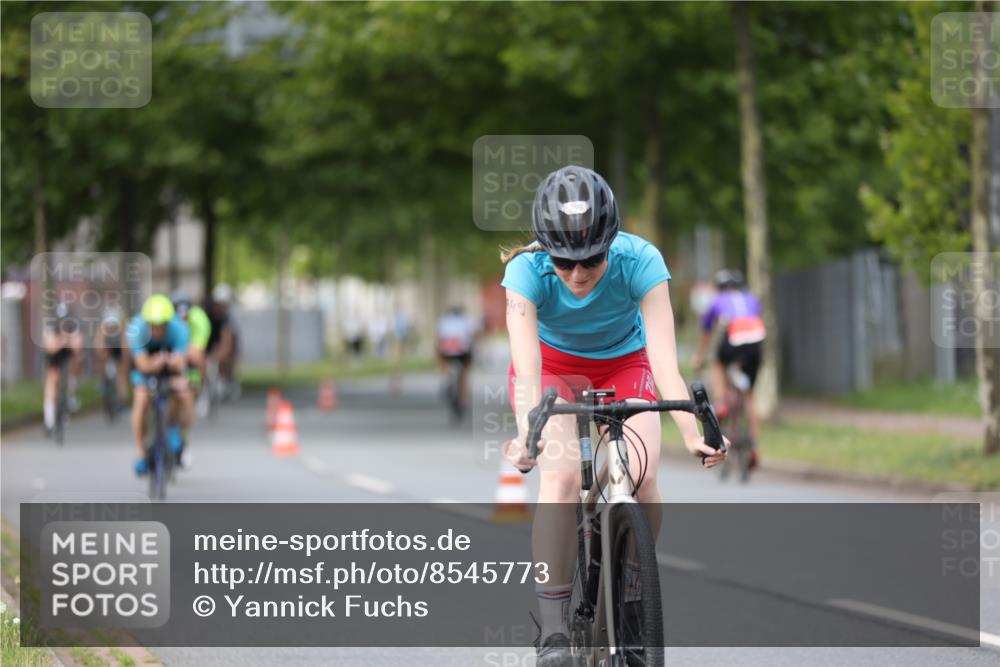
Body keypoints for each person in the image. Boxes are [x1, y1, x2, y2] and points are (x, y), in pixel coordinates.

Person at [500, 165, 726, 665]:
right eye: (564, 262)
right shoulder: (523, 274)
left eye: (592, 260)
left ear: (611, 243)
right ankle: (554, 628)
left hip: (625, 363)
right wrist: (526, 438)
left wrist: (691, 433)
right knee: (559, 480)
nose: (578, 274)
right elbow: (529, 373)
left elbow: (665, 364)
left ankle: (630, 580)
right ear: (544, 249)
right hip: (554, 371)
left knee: (642, 477)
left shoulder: (642, 260)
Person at [692, 268, 766, 467]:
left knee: (718, 365)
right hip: (755, 342)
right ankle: (755, 447)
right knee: (749, 395)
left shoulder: (717, 300)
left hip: (733, 338)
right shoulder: (751, 298)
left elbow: (706, 333)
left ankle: (722, 401)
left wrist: (699, 358)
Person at [127, 294, 192, 474]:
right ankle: (142, 454)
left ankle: (177, 432)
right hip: (145, 369)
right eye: (153, 326)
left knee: (184, 392)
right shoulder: (137, 329)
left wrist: (170, 363)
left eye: (162, 326)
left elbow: (181, 363)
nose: (157, 331)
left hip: (170, 368)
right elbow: (141, 364)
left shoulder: (179, 329)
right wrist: (154, 363)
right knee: (141, 401)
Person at [42, 301, 84, 435]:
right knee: (52, 380)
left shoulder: (74, 326)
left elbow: (78, 346)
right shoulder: (51, 326)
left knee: (77, 361)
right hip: (55, 355)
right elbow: (50, 347)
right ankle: (49, 421)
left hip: (69, 354)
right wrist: (62, 341)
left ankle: (71, 392)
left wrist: (69, 342)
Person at [172, 291, 212, 414]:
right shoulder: (171, 319)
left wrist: (189, 352)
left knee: (197, 357)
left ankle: (201, 388)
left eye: (186, 317)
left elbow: (198, 346)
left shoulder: (199, 318)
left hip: (195, 342)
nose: (183, 320)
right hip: (179, 345)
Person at [435, 305, 476, 409]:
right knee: (464, 372)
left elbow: (439, 338)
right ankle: (464, 397)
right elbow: (471, 337)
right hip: (463, 352)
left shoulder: (444, 321)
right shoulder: (466, 320)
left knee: (440, 354)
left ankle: (445, 377)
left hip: (446, 352)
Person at [206, 284, 239, 400]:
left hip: (223, 343)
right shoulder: (207, 314)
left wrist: (218, 355)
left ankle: (226, 378)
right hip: (209, 341)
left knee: (226, 358)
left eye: (223, 305)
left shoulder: (228, 319)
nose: (220, 308)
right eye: (218, 304)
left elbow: (228, 341)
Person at [93, 304, 130, 408]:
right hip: (108, 348)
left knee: (121, 372)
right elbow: (98, 343)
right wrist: (101, 353)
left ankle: (123, 399)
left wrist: (124, 357)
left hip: (118, 348)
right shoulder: (102, 328)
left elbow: (125, 345)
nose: (112, 327)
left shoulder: (122, 328)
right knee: (101, 358)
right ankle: (103, 380)